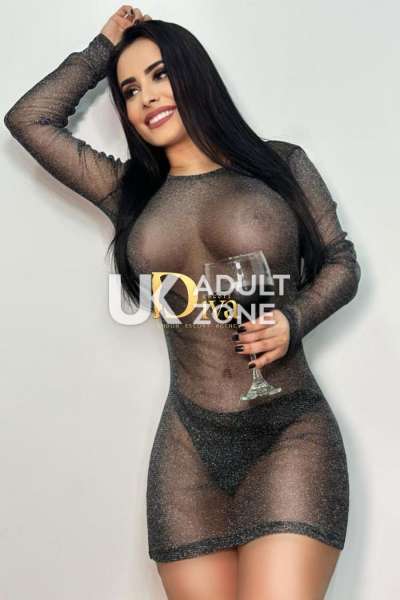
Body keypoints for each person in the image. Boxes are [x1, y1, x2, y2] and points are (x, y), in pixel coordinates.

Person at [3, 5, 361, 599]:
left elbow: (342, 263)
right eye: (130, 90)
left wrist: (294, 319)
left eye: (161, 74)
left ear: (195, 76)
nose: (146, 96)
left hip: (291, 434)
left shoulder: (279, 164)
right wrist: (103, 46)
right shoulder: (128, 192)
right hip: (187, 451)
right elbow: (29, 119)